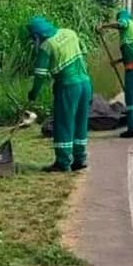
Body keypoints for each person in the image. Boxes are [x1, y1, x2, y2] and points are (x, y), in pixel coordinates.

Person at [27, 16, 92, 172]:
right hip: (85, 83)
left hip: (68, 86)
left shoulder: (47, 46)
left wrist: (33, 94)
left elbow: (40, 75)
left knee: (64, 123)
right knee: (80, 122)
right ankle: (80, 159)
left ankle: (63, 162)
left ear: (37, 35)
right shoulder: (69, 33)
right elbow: (84, 53)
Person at [96, 9, 133, 138]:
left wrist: (103, 26)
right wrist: (118, 61)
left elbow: (121, 24)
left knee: (132, 98)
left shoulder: (126, 23)